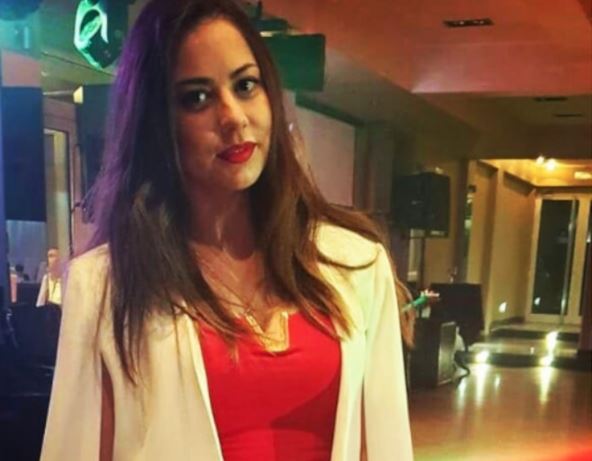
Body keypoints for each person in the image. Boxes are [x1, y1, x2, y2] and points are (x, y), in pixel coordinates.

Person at [40, 1, 413, 460]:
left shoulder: (356, 265)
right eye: (197, 97)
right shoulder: (106, 287)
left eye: (245, 85)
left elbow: (383, 444)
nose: (233, 116)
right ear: (157, 122)